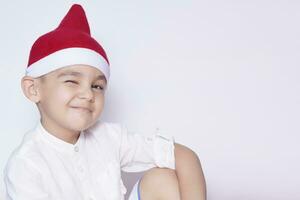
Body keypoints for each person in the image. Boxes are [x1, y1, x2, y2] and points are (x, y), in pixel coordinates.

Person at [3, 4, 206, 200]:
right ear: (33, 89)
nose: (88, 94)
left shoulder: (109, 137)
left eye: (97, 86)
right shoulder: (26, 165)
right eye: (72, 81)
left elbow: (184, 155)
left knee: (162, 179)